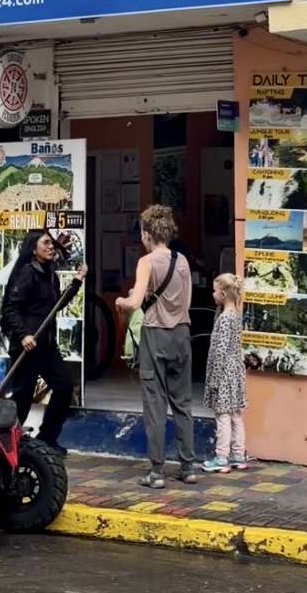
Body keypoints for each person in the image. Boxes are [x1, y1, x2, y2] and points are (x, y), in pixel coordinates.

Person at [116, 204, 195, 489]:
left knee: (155, 405)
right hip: (181, 334)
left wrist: (120, 302)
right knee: (182, 403)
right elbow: (186, 304)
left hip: (155, 335)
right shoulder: (182, 261)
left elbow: (135, 303)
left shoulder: (147, 262)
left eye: (142, 233)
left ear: (148, 233)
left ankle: (157, 472)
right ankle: (188, 467)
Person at [0, 229, 87, 456]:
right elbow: (11, 309)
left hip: (46, 346)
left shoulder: (49, 274)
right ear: (33, 248)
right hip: (27, 347)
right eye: (46, 243)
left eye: (52, 243)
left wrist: (77, 281)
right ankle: (6, 444)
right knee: (22, 400)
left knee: (64, 386)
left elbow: (56, 306)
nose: (51, 246)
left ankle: (47, 439)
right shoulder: (27, 274)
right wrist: (23, 334)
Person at [201, 273, 249, 473]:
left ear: (222, 294)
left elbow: (220, 351)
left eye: (214, 291)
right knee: (236, 414)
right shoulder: (235, 315)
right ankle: (239, 454)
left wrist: (214, 379)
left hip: (223, 374)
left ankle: (222, 457)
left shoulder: (224, 320)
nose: (212, 294)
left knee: (222, 415)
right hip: (235, 372)